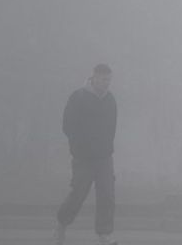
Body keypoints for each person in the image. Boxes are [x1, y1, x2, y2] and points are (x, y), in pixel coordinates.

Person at [55, 64, 118, 245]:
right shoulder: (79, 97)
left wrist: (107, 147)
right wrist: (78, 147)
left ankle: (104, 234)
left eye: (108, 79)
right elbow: (68, 125)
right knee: (78, 193)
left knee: (107, 193)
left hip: (104, 157)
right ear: (94, 77)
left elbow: (112, 127)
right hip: (83, 157)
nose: (106, 83)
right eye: (103, 79)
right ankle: (61, 223)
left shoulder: (110, 100)